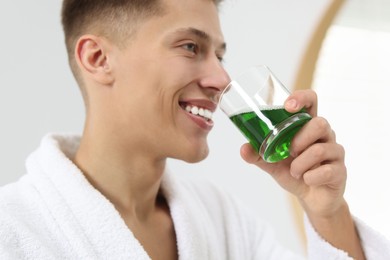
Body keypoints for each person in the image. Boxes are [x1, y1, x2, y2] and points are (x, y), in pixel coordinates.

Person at [0, 0, 389, 259]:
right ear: (98, 58)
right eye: (190, 47)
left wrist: (326, 210)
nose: (222, 79)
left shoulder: (222, 220)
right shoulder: (13, 229)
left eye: (220, 55)